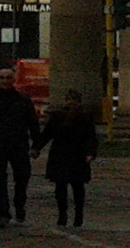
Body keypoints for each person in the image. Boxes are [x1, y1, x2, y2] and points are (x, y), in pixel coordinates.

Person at [0, 66, 41, 228]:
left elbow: (33, 124)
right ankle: (3, 213)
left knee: (22, 178)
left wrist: (36, 145)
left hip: (19, 145)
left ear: (14, 80)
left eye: (9, 78)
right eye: (2, 78)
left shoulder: (23, 100)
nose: (6, 81)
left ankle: (19, 205)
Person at [32, 89, 99, 228]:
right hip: (60, 154)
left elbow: (91, 137)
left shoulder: (85, 117)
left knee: (77, 187)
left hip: (77, 155)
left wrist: (90, 153)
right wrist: (36, 147)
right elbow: (47, 134)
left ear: (79, 102)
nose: (70, 103)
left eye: (73, 100)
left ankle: (78, 215)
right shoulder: (57, 116)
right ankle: (62, 214)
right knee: (60, 187)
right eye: (68, 99)